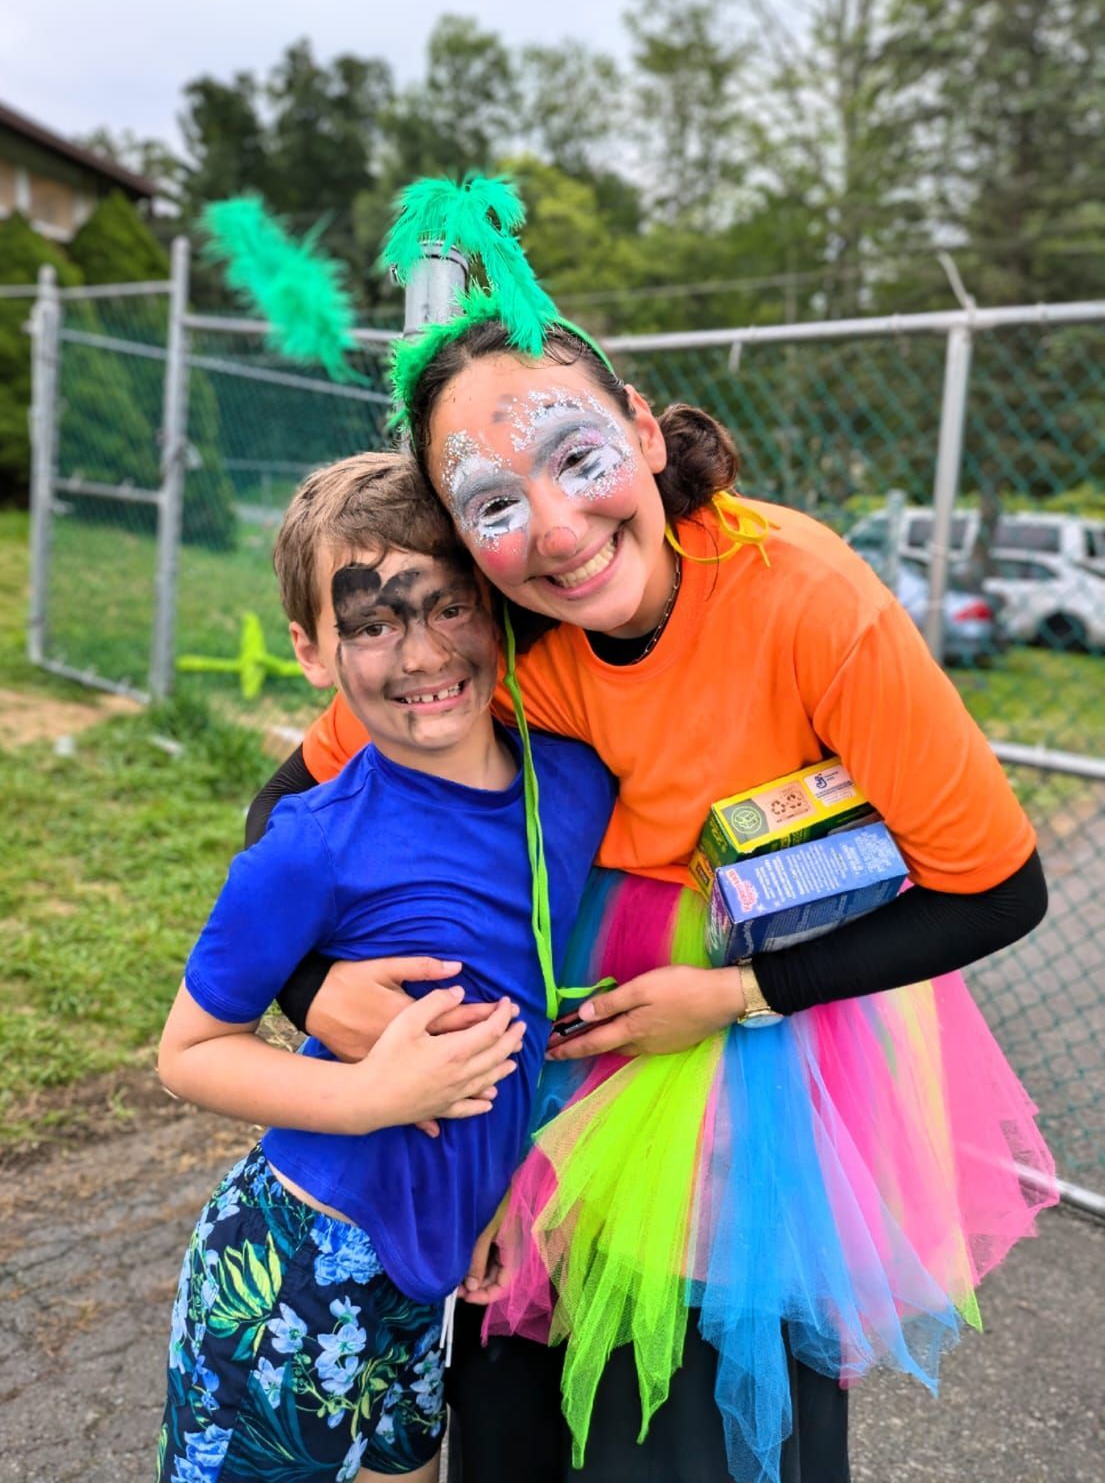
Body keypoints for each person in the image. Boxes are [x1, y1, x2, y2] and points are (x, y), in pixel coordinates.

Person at [245, 176, 1054, 1483]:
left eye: (577, 459)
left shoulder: (810, 603)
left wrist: (734, 997)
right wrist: (314, 988)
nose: (557, 532)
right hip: (554, 1015)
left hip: (758, 1032)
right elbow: (285, 810)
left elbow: (998, 889)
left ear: (641, 428)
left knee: (700, 1419)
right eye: (493, 505)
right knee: (514, 1389)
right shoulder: (497, 638)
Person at [156, 450, 615, 1483]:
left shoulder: (577, 789)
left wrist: (496, 1185)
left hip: (428, 1284)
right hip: (290, 1274)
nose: (419, 653)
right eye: (370, 622)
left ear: (495, 605)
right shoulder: (311, 842)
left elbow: (532, 1008)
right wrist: (369, 1093)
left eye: (447, 606)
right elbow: (188, 1051)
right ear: (313, 651)